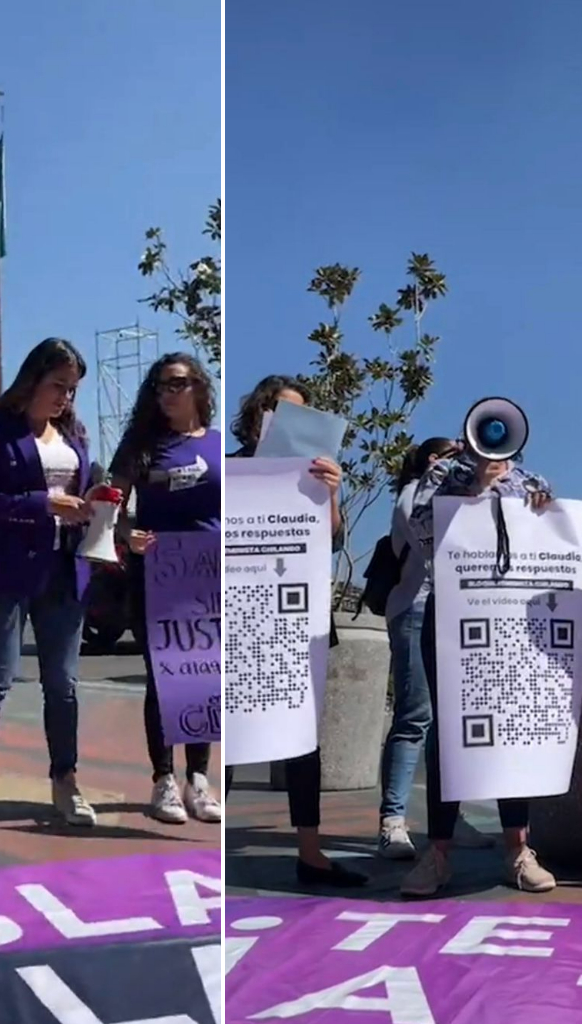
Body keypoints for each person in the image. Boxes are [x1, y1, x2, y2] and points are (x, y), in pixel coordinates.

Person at [0, 339, 96, 848]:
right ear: (32, 379)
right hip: (6, 572)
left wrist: (98, 508)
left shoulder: (74, 433)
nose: (65, 399)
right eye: (57, 386)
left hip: (64, 572)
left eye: (71, 390)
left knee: (63, 685)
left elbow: (83, 491)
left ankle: (65, 781)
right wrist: (45, 503)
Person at [399, 420, 558, 898]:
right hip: (452, 616)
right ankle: (439, 853)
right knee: (447, 732)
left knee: (512, 727)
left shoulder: (534, 482)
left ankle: (518, 848)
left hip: (512, 623)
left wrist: (545, 512)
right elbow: (419, 531)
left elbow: (551, 540)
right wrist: (474, 488)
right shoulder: (442, 475)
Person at [221, 375, 365, 886]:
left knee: (303, 740)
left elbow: (328, 541)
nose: (291, 423)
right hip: (238, 622)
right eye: (282, 411)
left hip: (296, 623)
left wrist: (330, 493)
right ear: (260, 414)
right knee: (231, 737)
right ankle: (212, 854)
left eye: (302, 414)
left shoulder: (314, 474)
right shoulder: (231, 468)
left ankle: (311, 852)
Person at [109, 353, 222, 825]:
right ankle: (163, 780)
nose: (167, 394)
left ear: (198, 387)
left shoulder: (217, 445)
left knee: (204, 674)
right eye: (159, 387)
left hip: (212, 573)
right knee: (164, 676)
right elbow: (109, 507)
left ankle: (199, 778)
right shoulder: (141, 446)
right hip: (159, 572)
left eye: (176, 384)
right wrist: (125, 533)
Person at [375, 436, 497, 860]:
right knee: (415, 716)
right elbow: (423, 533)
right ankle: (392, 820)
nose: (465, 462)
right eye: (454, 455)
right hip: (416, 608)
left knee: (448, 721)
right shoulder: (415, 493)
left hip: (456, 611)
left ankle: (448, 818)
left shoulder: (471, 495)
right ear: (432, 460)